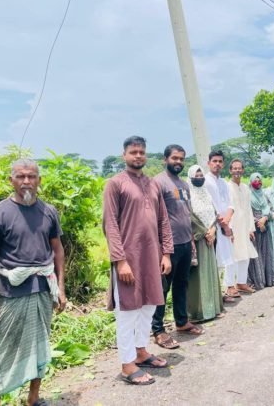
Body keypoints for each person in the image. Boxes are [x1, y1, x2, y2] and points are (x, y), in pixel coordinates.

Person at [0, 158, 67, 406]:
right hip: (12, 293)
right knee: (5, 352)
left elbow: (58, 250)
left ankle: (33, 398)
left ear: (39, 180)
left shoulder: (48, 211)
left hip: (42, 290)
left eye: (31, 176)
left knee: (40, 346)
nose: (26, 181)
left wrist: (61, 288)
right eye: (21, 176)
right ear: (12, 181)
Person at [103, 136, 173, 386]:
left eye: (142, 152)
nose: (138, 156)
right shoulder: (115, 184)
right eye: (133, 152)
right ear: (124, 155)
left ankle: (141, 351)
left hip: (152, 257)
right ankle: (126, 364)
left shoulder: (152, 184)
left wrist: (166, 253)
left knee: (149, 306)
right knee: (128, 311)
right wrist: (120, 260)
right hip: (128, 258)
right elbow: (110, 224)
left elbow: (163, 220)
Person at [151, 145, 204, 350]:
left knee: (181, 284)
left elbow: (186, 214)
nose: (178, 162)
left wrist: (191, 240)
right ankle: (158, 329)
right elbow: (154, 217)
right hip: (167, 246)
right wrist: (161, 248)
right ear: (165, 159)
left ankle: (181, 322)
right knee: (162, 288)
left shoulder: (184, 184)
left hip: (184, 242)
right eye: (174, 158)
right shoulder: (158, 182)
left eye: (182, 158)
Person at [186, 165, 225, 322]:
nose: (200, 177)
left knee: (210, 273)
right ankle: (199, 312)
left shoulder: (206, 194)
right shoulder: (188, 194)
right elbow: (189, 216)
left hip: (210, 238)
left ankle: (213, 308)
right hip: (198, 239)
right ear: (190, 177)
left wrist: (213, 230)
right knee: (198, 276)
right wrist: (204, 232)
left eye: (201, 175)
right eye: (196, 175)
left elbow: (214, 214)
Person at [204, 150, 236, 298]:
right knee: (216, 261)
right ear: (208, 163)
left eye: (220, 161)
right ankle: (215, 295)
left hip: (226, 225)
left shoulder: (223, 182)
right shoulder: (205, 181)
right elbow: (211, 206)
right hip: (214, 226)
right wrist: (224, 226)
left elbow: (230, 204)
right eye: (214, 161)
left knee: (228, 258)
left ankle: (228, 288)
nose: (217, 164)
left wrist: (228, 222)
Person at [226, 159, 258, 295]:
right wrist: (229, 229)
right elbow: (226, 209)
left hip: (244, 226)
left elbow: (248, 209)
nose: (237, 171)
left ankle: (241, 283)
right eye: (234, 168)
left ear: (243, 170)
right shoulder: (227, 187)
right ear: (230, 170)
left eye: (239, 168)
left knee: (245, 255)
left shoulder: (245, 188)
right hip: (233, 227)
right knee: (232, 256)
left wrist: (251, 228)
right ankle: (229, 286)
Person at [248, 172, 274, 290]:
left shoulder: (265, 195)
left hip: (265, 227)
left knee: (266, 252)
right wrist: (258, 222)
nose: (258, 182)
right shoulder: (248, 195)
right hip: (253, 227)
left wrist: (264, 218)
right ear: (250, 181)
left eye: (259, 180)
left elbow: (270, 209)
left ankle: (268, 279)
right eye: (255, 180)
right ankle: (258, 281)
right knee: (256, 253)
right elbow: (246, 211)